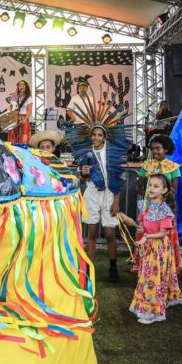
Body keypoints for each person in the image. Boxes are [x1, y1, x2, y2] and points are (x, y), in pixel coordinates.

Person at [68, 96, 129, 282]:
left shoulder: (112, 152)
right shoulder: (85, 153)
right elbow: (83, 178)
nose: (96, 138)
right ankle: (89, 269)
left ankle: (113, 268)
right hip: (92, 194)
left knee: (110, 233)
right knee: (92, 233)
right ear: (90, 136)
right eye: (94, 135)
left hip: (110, 195)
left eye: (99, 135)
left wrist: (117, 200)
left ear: (104, 136)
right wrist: (83, 173)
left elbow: (118, 177)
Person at [129, 174, 182, 324]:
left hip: (159, 248)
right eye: (150, 185)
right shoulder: (145, 205)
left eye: (156, 186)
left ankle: (153, 313)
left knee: (153, 278)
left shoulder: (164, 210)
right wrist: (138, 227)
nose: (151, 188)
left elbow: (163, 233)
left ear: (164, 190)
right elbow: (143, 225)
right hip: (148, 247)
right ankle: (149, 306)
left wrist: (147, 237)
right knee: (146, 276)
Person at [6, 80, 32, 144]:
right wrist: (10, 116)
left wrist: (25, 119)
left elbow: (29, 110)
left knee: (23, 136)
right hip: (14, 118)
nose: (21, 86)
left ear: (26, 86)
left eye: (23, 84)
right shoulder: (14, 97)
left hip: (23, 118)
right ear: (18, 86)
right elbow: (10, 107)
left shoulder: (28, 97)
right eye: (20, 84)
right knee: (13, 135)